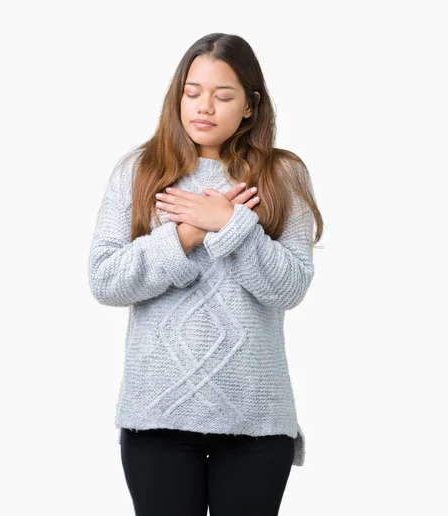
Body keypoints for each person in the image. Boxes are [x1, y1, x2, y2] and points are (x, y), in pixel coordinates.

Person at [88, 32, 323, 516]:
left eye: (223, 95)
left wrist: (231, 225)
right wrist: (186, 235)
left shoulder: (282, 176)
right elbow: (106, 280)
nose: (204, 107)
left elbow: (291, 288)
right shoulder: (139, 171)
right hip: (158, 417)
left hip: (256, 420)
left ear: (251, 105)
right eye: (192, 92)